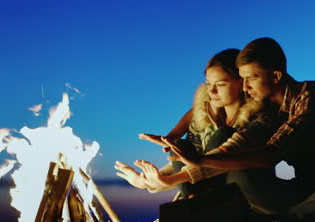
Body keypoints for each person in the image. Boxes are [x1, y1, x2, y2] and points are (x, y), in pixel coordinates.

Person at [159, 37, 315, 222]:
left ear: (276, 76)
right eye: (242, 80)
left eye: (252, 79)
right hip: (303, 192)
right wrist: (175, 155)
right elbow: (231, 136)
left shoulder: (310, 100)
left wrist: (199, 161)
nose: (246, 88)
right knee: (238, 171)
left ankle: (307, 214)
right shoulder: (269, 109)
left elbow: (269, 155)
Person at [115, 48, 279, 198]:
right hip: (207, 189)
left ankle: (193, 207)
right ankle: (191, 204)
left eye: (221, 84)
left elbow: (216, 162)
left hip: (246, 188)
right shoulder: (206, 116)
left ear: (241, 82)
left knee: (223, 135)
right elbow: (190, 161)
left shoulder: (259, 117)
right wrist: (147, 180)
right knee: (180, 145)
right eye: (208, 84)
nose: (212, 91)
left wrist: (170, 180)